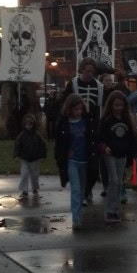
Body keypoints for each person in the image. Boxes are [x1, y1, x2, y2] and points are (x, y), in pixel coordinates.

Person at [61, 58, 104, 203]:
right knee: (78, 161)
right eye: (87, 71)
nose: (90, 74)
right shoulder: (73, 84)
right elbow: (65, 104)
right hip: (76, 126)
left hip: (91, 128)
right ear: (82, 70)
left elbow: (99, 108)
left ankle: (87, 189)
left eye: (92, 71)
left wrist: (98, 127)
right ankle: (81, 192)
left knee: (92, 165)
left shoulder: (98, 86)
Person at [54, 94, 98, 231]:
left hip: (85, 159)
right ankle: (76, 219)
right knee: (76, 189)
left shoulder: (87, 121)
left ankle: (79, 214)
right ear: (69, 109)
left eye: (80, 109)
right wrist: (61, 156)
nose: (78, 112)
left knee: (83, 189)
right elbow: (59, 142)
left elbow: (93, 139)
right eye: (75, 109)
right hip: (72, 160)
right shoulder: (64, 123)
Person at [97, 90, 137, 224]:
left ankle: (115, 210)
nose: (118, 108)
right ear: (111, 105)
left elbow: (132, 138)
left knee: (120, 182)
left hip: (122, 154)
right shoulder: (106, 120)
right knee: (113, 180)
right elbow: (99, 137)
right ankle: (110, 211)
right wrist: (104, 147)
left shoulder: (127, 120)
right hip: (110, 154)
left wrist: (133, 153)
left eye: (121, 105)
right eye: (116, 105)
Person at [13, 114, 47, 201]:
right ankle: (24, 190)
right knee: (24, 174)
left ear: (33, 125)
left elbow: (43, 146)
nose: (28, 126)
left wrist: (43, 156)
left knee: (34, 175)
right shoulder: (21, 136)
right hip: (24, 158)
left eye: (30, 124)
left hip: (35, 158)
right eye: (27, 124)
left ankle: (35, 188)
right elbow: (17, 146)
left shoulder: (37, 136)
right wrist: (16, 155)